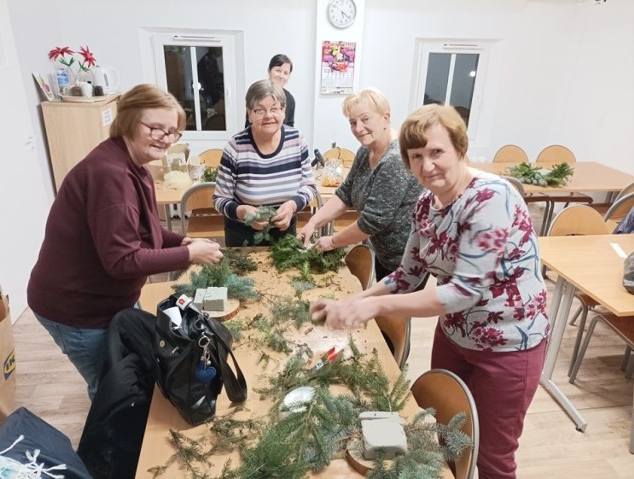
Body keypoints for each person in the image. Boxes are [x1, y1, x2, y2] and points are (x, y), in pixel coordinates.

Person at [310, 104, 549, 479]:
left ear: (459, 147)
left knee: (492, 458)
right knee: (443, 441)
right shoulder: (426, 204)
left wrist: (374, 308)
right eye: (416, 156)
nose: (426, 165)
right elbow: (407, 275)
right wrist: (351, 301)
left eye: (436, 152)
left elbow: (463, 292)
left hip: (507, 347)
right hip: (455, 337)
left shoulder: (491, 198)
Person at [27, 84, 223, 400]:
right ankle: (108, 446)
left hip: (108, 300)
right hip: (77, 308)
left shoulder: (136, 167)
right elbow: (121, 260)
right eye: (155, 127)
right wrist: (188, 253)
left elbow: (147, 234)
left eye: (173, 131)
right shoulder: (111, 175)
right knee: (111, 386)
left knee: (130, 371)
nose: (165, 137)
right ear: (129, 120)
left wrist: (183, 239)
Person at [298, 87, 423, 281]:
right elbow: (345, 193)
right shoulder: (366, 151)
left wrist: (332, 241)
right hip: (384, 253)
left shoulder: (395, 159)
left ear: (385, 117)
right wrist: (313, 223)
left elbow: (372, 222)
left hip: (405, 259)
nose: (358, 128)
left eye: (365, 119)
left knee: (393, 311)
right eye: (353, 122)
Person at [214, 79, 316, 247]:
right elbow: (220, 199)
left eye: (275, 109)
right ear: (249, 113)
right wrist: (242, 212)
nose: (269, 116)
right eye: (260, 110)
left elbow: (309, 187)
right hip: (243, 236)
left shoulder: (297, 140)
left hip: (285, 233)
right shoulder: (236, 147)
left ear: (284, 111)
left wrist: (292, 206)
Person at [245, 54, 296, 127]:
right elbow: (249, 124)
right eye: (278, 71)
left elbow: (290, 127)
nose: (281, 76)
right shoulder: (256, 92)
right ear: (269, 71)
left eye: (285, 73)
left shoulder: (290, 99)